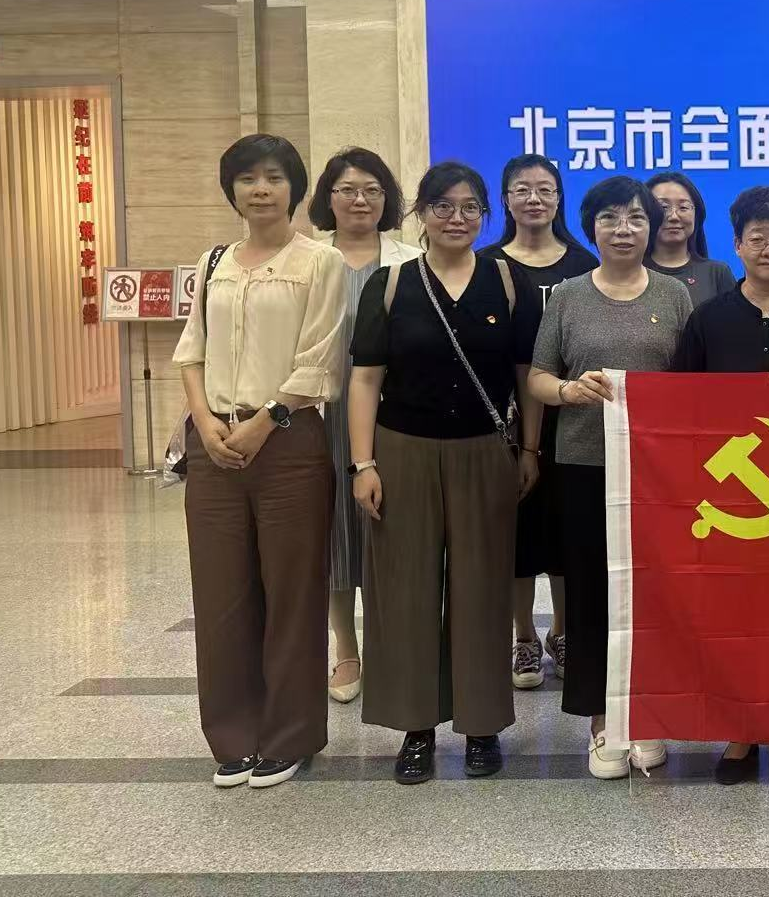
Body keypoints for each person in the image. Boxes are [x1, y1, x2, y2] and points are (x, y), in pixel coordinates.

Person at [347, 162, 543, 785]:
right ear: (421, 213)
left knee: (482, 588)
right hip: (401, 451)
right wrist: (363, 464)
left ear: (486, 214)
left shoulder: (506, 281)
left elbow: (525, 374)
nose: (456, 218)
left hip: (485, 451)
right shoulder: (391, 284)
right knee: (405, 589)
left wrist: (530, 450)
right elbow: (365, 379)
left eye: (469, 207)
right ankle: (416, 728)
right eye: (442, 206)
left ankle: (482, 726)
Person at [173, 133, 347, 789]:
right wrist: (204, 421)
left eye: (274, 176)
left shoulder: (320, 260)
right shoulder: (214, 260)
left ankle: (288, 735)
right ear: (232, 190)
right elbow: (191, 350)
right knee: (220, 594)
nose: (261, 188)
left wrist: (264, 422)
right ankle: (233, 735)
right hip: (214, 441)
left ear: (294, 187)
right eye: (247, 178)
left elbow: (320, 360)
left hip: (289, 440)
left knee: (292, 592)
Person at [528, 176, 693, 778]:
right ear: (590, 227)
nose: (623, 230)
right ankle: (602, 719)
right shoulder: (568, 296)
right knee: (592, 593)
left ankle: (647, 713)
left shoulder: (675, 296)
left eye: (635, 218)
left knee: (654, 594)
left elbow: (693, 382)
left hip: (658, 474)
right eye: (609, 219)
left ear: (652, 227)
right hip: (583, 466)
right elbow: (537, 378)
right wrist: (569, 391)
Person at [671, 185, 769, 786]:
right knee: (734, 613)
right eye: (757, 238)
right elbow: (678, 405)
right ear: (736, 245)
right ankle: (739, 728)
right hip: (728, 500)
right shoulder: (708, 318)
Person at [477, 153, 599, 692]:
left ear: (559, 198)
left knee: (566, 532)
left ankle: (563, 633)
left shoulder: (584, 263)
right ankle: (523, 635)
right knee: (518, 534)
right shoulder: (486, 264)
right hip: (501, 419)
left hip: (573, 417)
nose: (534, 199)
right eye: (522, 189)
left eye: (545, 189)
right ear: (505, 199)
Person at [307, 147, 421, 708]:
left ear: (387, 199)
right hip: (320, 415)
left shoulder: (409, 261)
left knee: (386, 529)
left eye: (372, 190)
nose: (360, 200)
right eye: (348, 189)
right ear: (327, 198)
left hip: (394, 415)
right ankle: (346, 649)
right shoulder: (308, 260)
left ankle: (387, 641)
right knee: (333, 533)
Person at [646, 171, 735, 307]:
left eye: (683, 207)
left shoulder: (717, 273)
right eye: (663, 207)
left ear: (696, 214)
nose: (674, 216)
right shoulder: (632, 271)